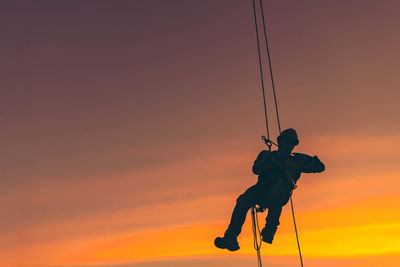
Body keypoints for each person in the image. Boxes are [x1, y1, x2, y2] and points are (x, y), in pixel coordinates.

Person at [214, 128, 325, 251]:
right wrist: (277, 157)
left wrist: (302, 158)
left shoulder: (296, 161)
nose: (288, 144)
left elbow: (319, 167)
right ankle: (230, 236)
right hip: (262, 188)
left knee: (276, 192)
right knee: (243, 200)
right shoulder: (267, 155)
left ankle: (270, 230)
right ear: (280, 141)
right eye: (285, 141)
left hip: (281, 190)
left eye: (291, 142)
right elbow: (256, 169)